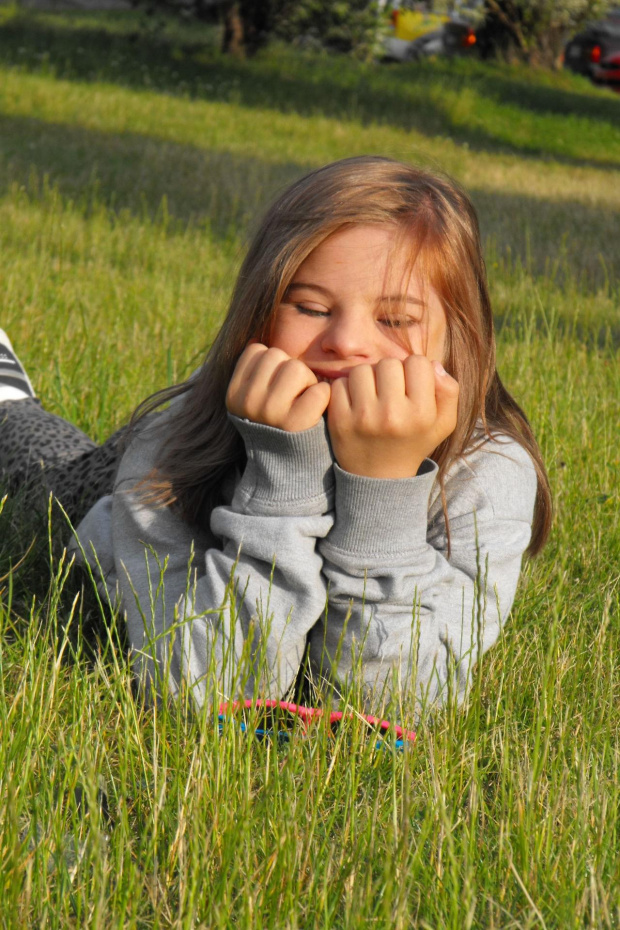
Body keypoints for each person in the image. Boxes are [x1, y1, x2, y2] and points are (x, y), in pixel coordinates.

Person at [0, 156, 551, 717]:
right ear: (258, 315)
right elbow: (199, 689)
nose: (346, 342)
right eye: (311, 308)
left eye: (395, 320)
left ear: (458, 341)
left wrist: (384, 487)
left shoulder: (488, 474)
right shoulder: (175, 441)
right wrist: (284, 478)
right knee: (39, 473)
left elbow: (398, 704)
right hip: (124, 481)